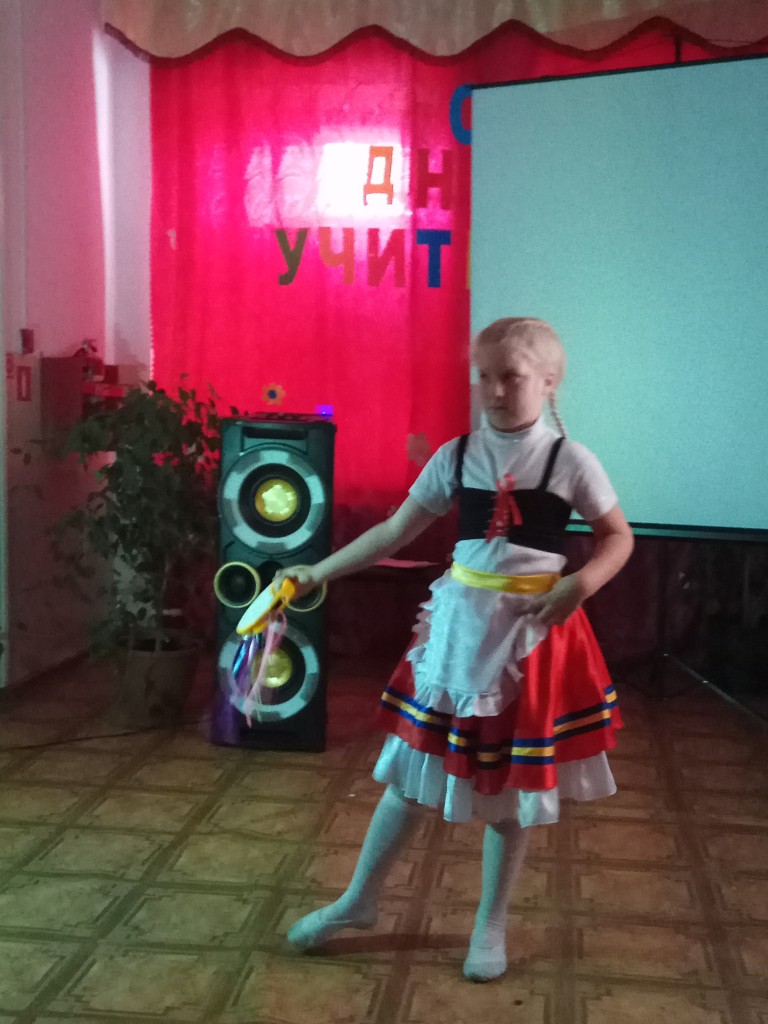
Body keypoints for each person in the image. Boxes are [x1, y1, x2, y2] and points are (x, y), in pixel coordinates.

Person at [275, 317, 634, 982]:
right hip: (458, 639)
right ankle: (359, 900)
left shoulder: (571, 461)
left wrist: (579, 585)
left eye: (511, 378)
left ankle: (489, 925)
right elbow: (393, 532)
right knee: (406, 779)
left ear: (549, 381)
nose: (494, 391)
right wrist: (317, 572)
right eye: (484, 377)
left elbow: (619, 537)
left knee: (509, 792)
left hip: (527, 644)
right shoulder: (456, 455)